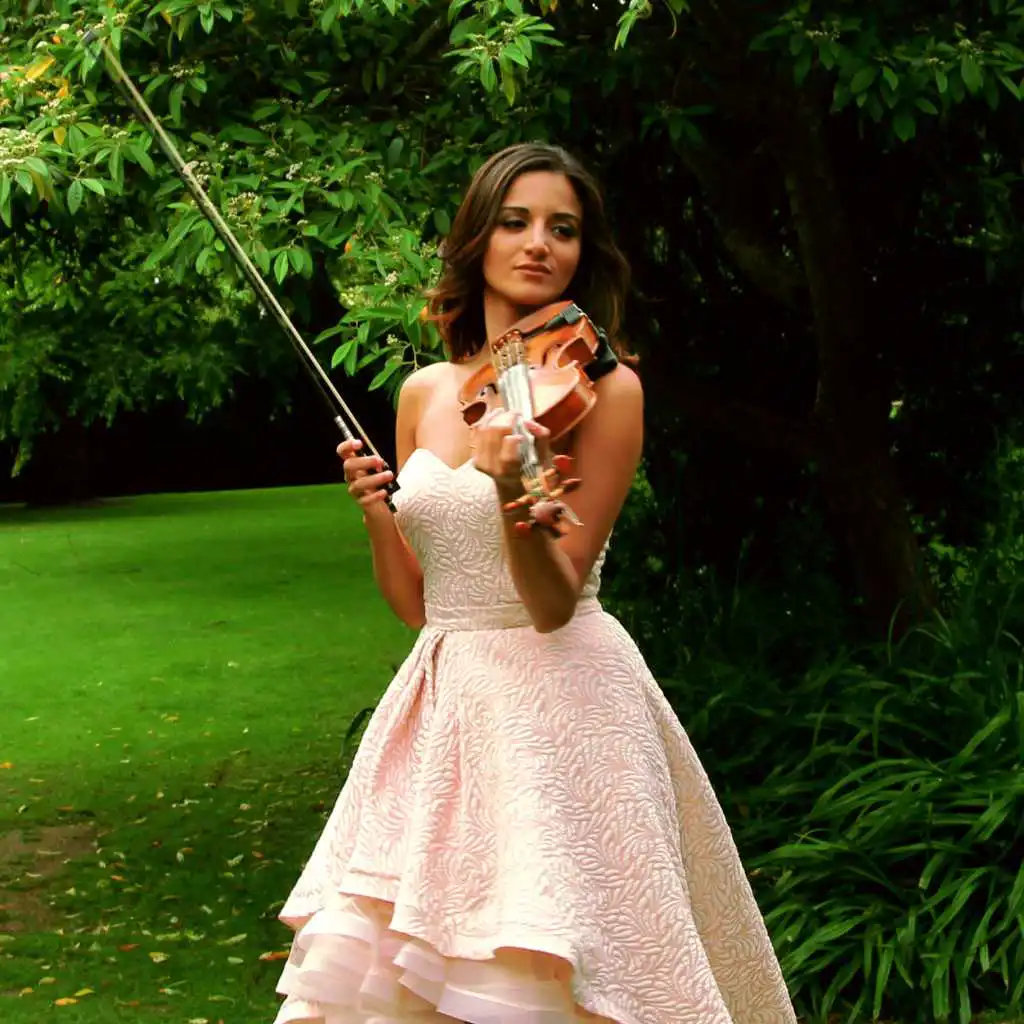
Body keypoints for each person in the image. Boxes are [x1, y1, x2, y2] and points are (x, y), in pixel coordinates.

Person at [272, 143, 797, 1024]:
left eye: (564, 228)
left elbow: (551, 604)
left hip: (566, 708)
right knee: (421, 967)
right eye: (515, 222)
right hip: (450, 702)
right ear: (477, 238)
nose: (539, 243)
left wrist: (517, 488)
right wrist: (375, 514)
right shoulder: (423, 393)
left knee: (555, 961)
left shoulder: (607, 392)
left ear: (584, 254)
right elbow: (420, 606)